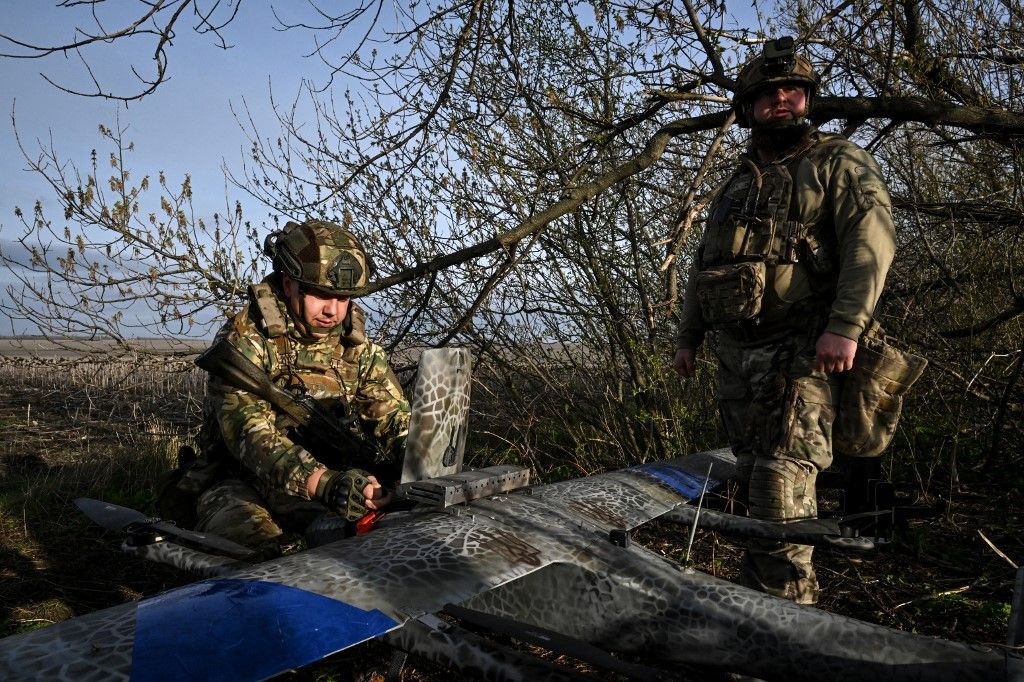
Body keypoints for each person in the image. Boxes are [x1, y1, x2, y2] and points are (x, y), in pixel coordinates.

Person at [672, 37, 896, 604]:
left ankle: (780, 633)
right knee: (753, 481)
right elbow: (708, 264)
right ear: (746, 107)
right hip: (737, 358)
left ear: (807, 100)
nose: (781, 101)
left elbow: (871, 245)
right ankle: (762, 617)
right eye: (767, 94)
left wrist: (845, 326)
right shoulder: (738, 181)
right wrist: (688, 337)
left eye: (792, 91)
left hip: (802, 355)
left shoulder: (837, 162)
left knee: (780, 491)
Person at [191, 218, 410, 554]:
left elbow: (392, 416)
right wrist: (325, 484)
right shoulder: (247, 341)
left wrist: (412, 456)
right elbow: (251, 436)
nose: (333, 311)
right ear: (289, 283)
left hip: (332, 483)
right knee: (259, 552)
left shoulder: (355, 347)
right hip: (242, 482)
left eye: (343, 298)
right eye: (321, 295)